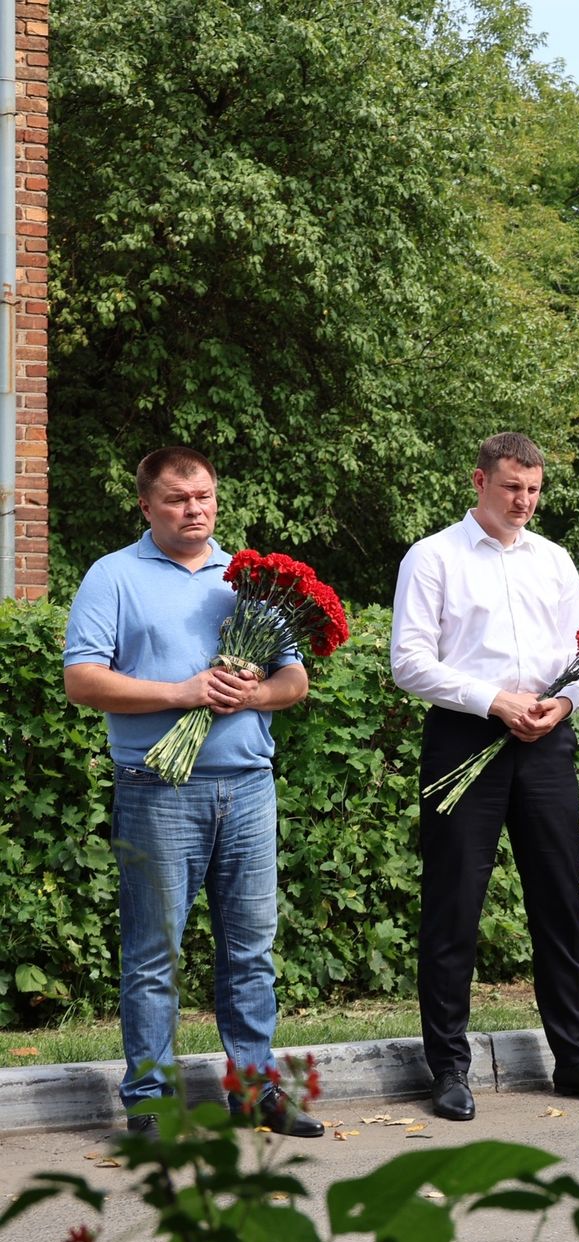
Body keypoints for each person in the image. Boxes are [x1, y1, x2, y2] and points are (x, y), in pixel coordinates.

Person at [64, 446, 322, 1140]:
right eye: (178, 499)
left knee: (252, 948)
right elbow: (83, 678)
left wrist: (254, 693)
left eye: (204, 496)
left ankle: (255, 1088)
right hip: (156, 788)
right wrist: (180, 691)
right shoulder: (113, 576)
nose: (194, 510)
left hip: (246, 785)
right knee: (155, 953)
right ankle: (149, 1097)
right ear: (147, 505)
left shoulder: (247, 579)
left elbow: (293, 680)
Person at [391, 433, 579, 1121]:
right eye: (511, 488)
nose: (523, 501)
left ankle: (574, 1058)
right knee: (453, 904)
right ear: (479, 481)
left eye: (533, 489)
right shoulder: (433, 556)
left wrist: (564, 700)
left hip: (546, 741)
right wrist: (492, 699)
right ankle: (449, 1067)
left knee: (560, 900)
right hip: (466, 734)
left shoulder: (555, 561)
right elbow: (408, 660)